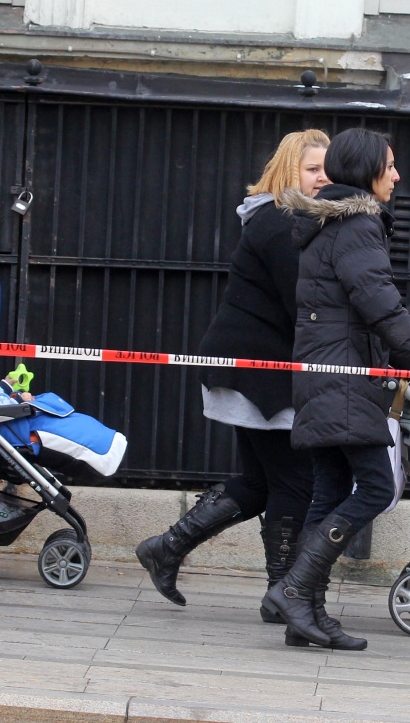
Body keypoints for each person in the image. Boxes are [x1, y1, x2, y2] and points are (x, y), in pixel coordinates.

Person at [136, 130, 330, 620]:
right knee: (294, 483)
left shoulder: (282, 219)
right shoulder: (282, 222)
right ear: (289, 171)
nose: (323, 178)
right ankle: (282, 595)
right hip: (260, 374)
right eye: (313, 169)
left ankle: (167, 548)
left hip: (253, 369)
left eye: (329, 170)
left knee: (264, 481)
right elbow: (304, 303)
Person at [265, 128, 410, 650]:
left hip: (324, 374)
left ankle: (303, 609)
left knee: (331, 490)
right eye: (389, 165)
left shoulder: (326, 224)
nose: (397, 175)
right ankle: (298, 590)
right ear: (367, 170)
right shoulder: (359, 222)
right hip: (346, 376)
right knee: (376, 487)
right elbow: (379, 301)